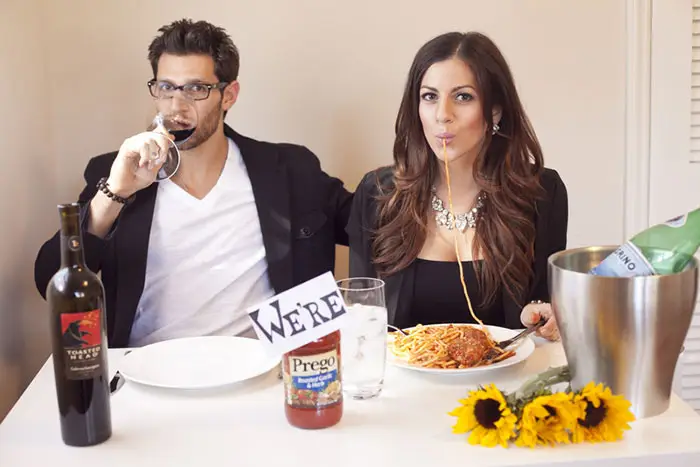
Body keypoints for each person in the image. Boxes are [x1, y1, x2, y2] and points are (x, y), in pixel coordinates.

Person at [34, 19, 353, 347]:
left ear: (228, 95)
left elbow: (374, 225)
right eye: (166, 87)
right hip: (149, 373)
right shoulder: (116, 173)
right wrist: (115, 193)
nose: (177, 106)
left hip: (260, 370)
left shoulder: (289, 169)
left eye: (196, 89)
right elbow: (51, 281)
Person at [346, 32, 568, 341]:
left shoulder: (542, 193)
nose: (442, 115)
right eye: (429, 96)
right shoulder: (378, 195)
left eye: (463, 96)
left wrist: (540, 315)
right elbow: (363, 318)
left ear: (495, 111)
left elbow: (542, 309)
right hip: (404, 386)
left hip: (503, 385)